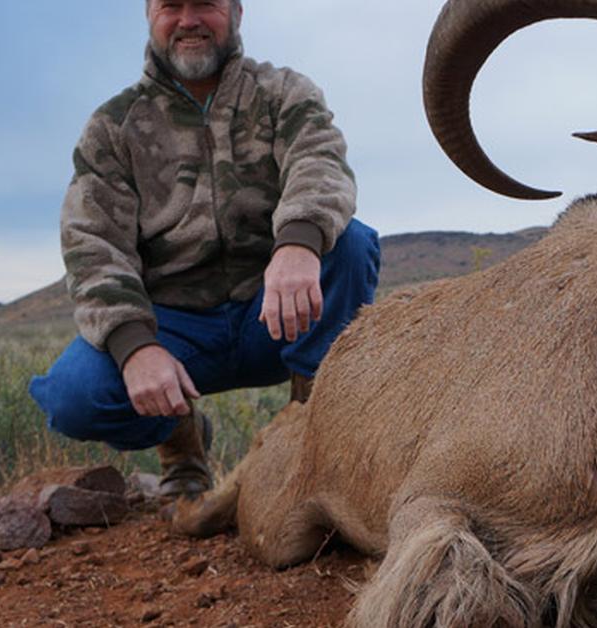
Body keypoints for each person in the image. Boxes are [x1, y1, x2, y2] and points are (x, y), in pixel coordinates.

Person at [29, 0, 379, 498]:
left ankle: (307, 438)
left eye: (206, 4)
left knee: (351, 245)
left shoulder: (283, 93)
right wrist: (136, 347)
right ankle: (182, 447)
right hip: (176, 333)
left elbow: (319, 161)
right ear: (149, 14)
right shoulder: (112, 127)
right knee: (73, 397)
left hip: (277, 314)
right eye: (172, 5)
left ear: (236, 12)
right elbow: (93, 244)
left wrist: (298, 243)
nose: (189, 20)